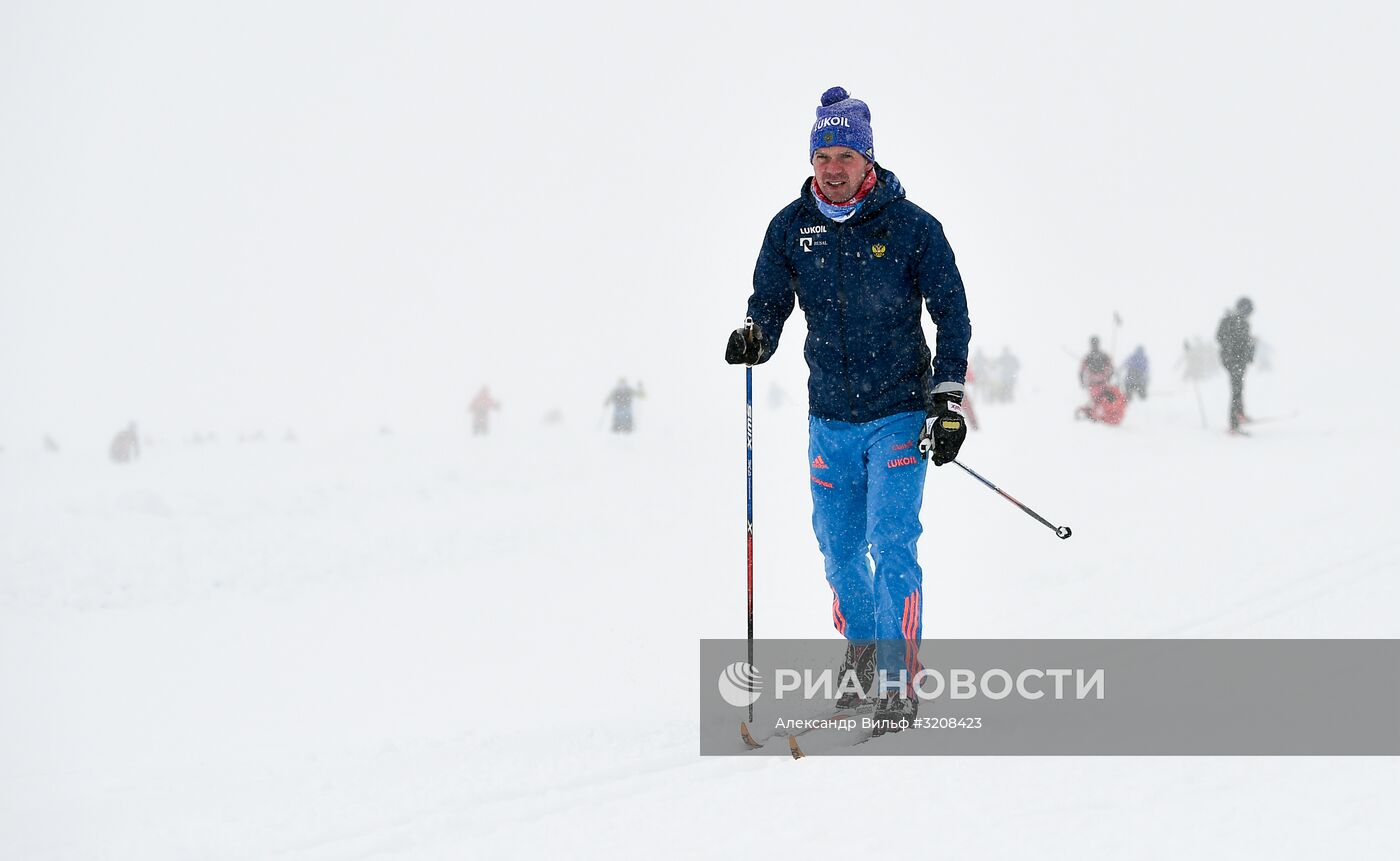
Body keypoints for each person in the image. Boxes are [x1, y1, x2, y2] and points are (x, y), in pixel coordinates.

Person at [724, 86, 971, 736]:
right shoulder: (791, 229)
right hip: (828, 418)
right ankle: (861, 657)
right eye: (822, 154)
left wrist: (945, 401)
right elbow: (770, 303)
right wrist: (756, 334)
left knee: (891, 542)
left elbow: (953, 314)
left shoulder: (912, 227)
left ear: (868, 158)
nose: (832, 167)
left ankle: (898, 681)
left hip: (897, 414)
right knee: (837, 549)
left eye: (845, 154)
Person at [1216, 297, 1256, 434]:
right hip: (1235, 361)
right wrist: (1238, 349)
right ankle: (1234, 424)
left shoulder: (1234, 320)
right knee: (1236, 389)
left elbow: (1220, 337)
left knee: (1238, 387)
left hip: (1234, 360)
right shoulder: (1237, 321)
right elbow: (1224, 338)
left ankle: (1240, 414)